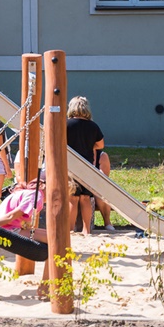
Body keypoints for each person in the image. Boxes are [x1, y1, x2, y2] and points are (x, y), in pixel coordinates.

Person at [66, 96, 113, 234]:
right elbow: (101, 145)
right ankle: (87, 230)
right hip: (87, 165)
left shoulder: (66, 124)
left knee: (72, 199)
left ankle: (70, 229)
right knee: (86, 198)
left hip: (71, 165)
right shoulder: (93, 126)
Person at [0, 177, 47, 243]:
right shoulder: (36, 198)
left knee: (50, 234)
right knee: (53, 238)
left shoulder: (26, 192)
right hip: (5, 230)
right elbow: (11, 216)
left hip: (5, 226)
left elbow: (2, 208)